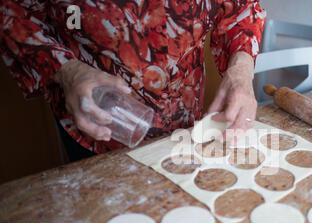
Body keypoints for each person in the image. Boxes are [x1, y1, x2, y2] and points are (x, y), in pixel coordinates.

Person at [0, 1, 266, 161]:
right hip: (99, 123)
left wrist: (241, 71)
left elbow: (240, 8)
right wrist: (67, 71)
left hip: (186, 124)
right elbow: (13, 14)